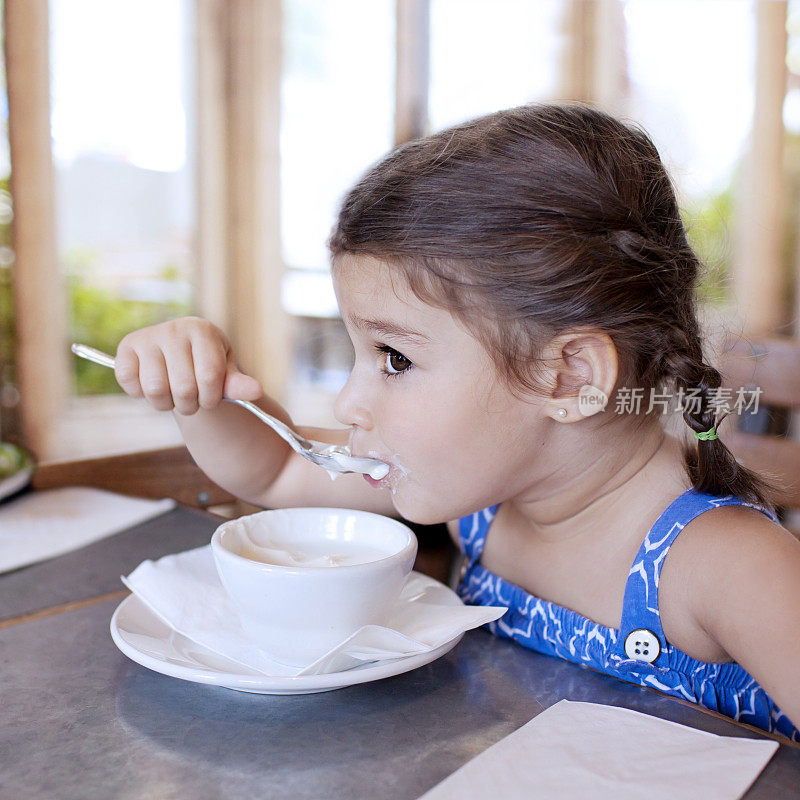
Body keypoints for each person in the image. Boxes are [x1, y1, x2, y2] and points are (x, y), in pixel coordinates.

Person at [113, 103, 800, 741]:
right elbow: (279, 469)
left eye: (394, 359)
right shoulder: (483, 494)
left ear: (570, 378)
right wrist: (198, 393)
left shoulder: (725, 566)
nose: (349, 404)